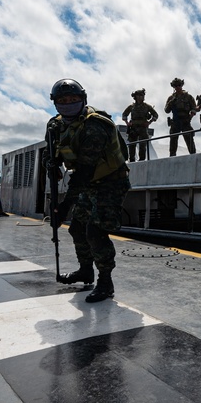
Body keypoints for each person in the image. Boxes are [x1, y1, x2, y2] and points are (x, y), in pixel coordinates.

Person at [45, 78, 131, 303]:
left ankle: (105, 281)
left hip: (110, 183)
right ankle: (86, 270)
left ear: (83, 99)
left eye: (73, 99)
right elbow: (51, 152)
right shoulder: (56, 125)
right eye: (63, 100)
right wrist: (50, 166)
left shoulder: (95, 126)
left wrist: (63, 207)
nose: (68, 104)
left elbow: (83, 171)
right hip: (90, 183)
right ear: (55, 103)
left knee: (96, 231)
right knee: (77, 229)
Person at [121, 89, 159, 161]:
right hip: (133, 128)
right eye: (139, 95)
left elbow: (155, 115)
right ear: (135, 97)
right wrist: (127, 123)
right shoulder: (131, 106)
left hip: (143, 127)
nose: (140, 97)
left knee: (142, 145)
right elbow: (124, 114)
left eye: (142, 95)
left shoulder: (147, 106)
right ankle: (131, 160)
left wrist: (149, 122)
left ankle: (142, 160)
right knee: (132, 145)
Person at [164, 78, 198, 156]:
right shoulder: (171, 98)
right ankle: (172, 157)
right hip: (175, 122)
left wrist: (192, 114)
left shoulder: (188, 97)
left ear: (182, 85)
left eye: (179, 85)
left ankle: (193, 156)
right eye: (175, 86)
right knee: (173, 141)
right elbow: (166, 110)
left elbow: (195, 108)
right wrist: (171, 102)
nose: (177, 87)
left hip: (185, 121)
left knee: (189, 140)